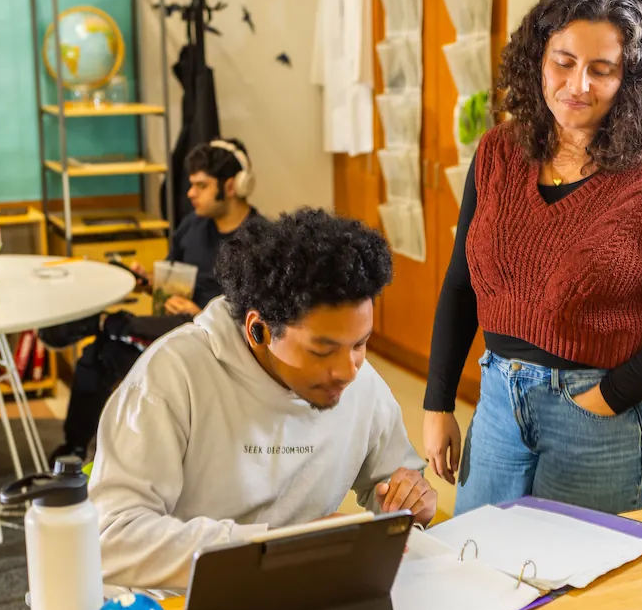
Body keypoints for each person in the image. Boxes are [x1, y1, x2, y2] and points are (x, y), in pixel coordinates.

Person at [423, 0, 642, 516]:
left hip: (602, 415)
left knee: (583, 590)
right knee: (475, 568)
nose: (578, 85)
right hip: (499, 396)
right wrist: (438, 401)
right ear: (538, 59)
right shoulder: (499, 151)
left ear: (631, 77)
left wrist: (609, 397)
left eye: (602, 69)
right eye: (563, 62)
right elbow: (461, 282)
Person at [89, 208, 437, 589]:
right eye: (322, 351)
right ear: (259, 330)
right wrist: (280, 548)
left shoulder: (363, 385)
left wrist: (410, 497)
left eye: (361, 344)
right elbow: (111, 537)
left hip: (305, 594)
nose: (348, 370)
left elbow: (390, 482)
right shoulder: (172, 377)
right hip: (182, 608)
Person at [40, 138, 265, 462]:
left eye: (201, 186)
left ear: (231, 186)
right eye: (191, 185)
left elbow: (259, 317)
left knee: (136, 329)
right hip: (174, 325)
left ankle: (105, 322)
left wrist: (202, 312)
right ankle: (75, 447)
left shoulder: (260, 240)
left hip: (217, 337)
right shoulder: (191, 227)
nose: (190, 194)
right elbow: (174, 283)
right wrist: (149, 283)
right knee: (99, 355)